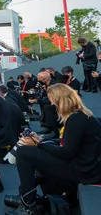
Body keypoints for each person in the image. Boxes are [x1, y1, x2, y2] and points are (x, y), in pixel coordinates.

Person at [6, 84, 101, 215]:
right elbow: (68, 144)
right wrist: (40, 141)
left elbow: (66, 152)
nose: (51, 104)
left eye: (52, 100)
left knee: (23, 153)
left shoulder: (76, 119)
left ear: (60, 100)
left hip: (82, 172)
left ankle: (28, 206)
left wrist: (38, 144)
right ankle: (27, 199)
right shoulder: (80, 116)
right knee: (29, 152)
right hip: (83, 167)